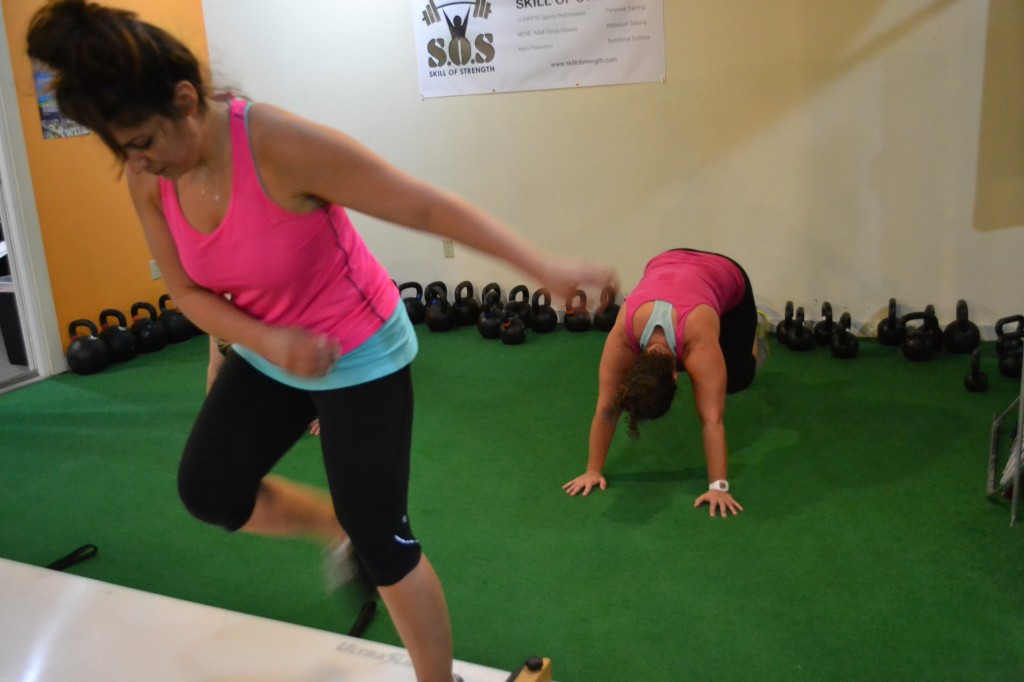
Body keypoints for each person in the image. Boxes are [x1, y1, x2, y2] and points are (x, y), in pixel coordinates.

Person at [26, 3, 614, 680]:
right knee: (210, 490)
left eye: (143, 142)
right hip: (272, 349)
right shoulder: (147, 178)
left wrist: (544, 268)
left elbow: (422, 204)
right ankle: (338, 526)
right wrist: (265, 345)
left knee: (386, 543)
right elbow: (188, 294)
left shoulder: (277, 145)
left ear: (185, 101)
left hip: (360, 352)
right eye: (123, 149)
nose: (138, 163)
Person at [563, 248, 765, 518]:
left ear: (674, 375)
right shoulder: (624, 334)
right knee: (710, 369)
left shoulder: (697, 336)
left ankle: (754, 335)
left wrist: (719, 487)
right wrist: (592, 470)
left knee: (737, 380)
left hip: (726, 277)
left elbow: (712, 420)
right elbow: (607, 409)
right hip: (667, 262)